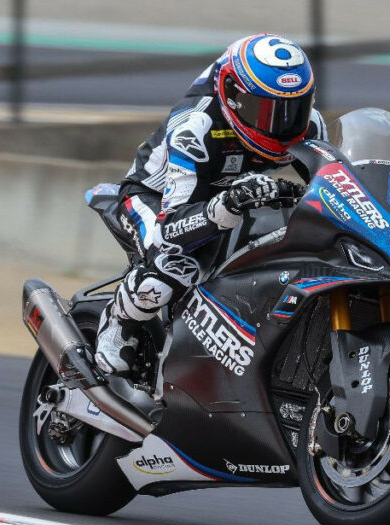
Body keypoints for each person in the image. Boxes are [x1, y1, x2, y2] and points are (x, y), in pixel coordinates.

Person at [95, 33, 327, 378]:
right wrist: (228, 203)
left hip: (232, 199)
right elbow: (173, 227)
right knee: (172, 262)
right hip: (152, 200)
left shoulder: (308, 127)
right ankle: (118, 322)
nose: (283, 125)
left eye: (293, 109)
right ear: (233, 97)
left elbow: (331, 182)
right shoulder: (196, 127)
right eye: (267, 111)